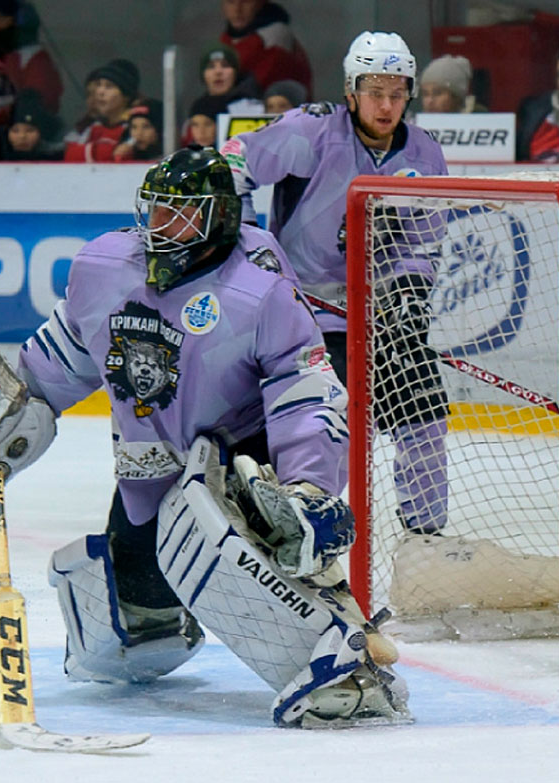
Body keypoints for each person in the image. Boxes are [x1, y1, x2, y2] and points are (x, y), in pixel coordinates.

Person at [0, 145, 409, 729]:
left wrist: (308, 488)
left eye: (181, 213)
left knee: (228, 544)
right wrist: (10, 414)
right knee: (125, 636)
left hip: (241, 453)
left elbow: (303, 392)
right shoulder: (103, 267)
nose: (159, 227)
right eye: (155, 210)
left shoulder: (259, 291)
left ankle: (344, 666)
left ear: (219, 218)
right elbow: (64, 356)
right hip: (148, 467)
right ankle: (166, 616)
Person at [221, 30, 451, 536]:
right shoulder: (312, 131)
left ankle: (426, 535)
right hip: (302, 313)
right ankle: (307, 524)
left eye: (396, 93)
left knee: (425, 408)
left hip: (378, 312)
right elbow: (234, 159)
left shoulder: (426, 154)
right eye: (374, 91)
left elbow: (422, 238)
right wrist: (252, 243)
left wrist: (407, 295)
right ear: (351, 91)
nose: (386, 104)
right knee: (335, 422)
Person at [0, 0, 63, 160]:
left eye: (2, 18)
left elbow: (37, 103)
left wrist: (9, 121)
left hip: (24, 142)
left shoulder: (34, 58)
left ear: (18, 21)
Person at [220, 0, 312, 95]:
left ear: (260, 3)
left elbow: (257, 86)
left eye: (246, 2)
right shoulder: (226, 39)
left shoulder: (275, 37)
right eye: (230, 2)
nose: (237, 10)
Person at [62, 58, 139, 162]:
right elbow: (70, 156)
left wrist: (88, 152)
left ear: (126, 95)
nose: (100, 92)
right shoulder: (94, 127)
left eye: (109, 86)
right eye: (99, 85)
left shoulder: (135, 127)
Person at [196, 43, 264, 116]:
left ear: (235, 73)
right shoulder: (198, 108)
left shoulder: (252, 108)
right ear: (203, 75)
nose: (218, 71)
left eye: (225, 65)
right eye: (211, 66)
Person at [0, 87, 62, 160]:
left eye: (30, 130)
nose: (22, 136)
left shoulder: (54, 159)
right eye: (15, 131)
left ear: (40, 133)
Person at [416, 54, 483, 114]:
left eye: (437, 93)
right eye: (425, 94)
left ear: (456, 97)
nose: (430, 101)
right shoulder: (413, 124)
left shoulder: (478, 121)